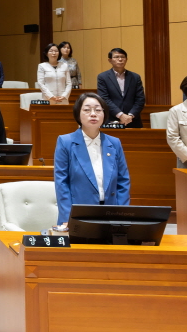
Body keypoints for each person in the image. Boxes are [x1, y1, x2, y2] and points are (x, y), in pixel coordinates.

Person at [53, 93, 130, 227]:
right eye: (87, 110)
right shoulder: (65, 142)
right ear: (78, 114)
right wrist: (67, 217)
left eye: (98, 110)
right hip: (78, 215)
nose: (93, 114)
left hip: (110, 214)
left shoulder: (114, 143)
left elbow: (123, 181)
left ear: (104, 115)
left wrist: (122, 214)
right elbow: (61, 183)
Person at [96, 48, 145, 128]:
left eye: (122, 57)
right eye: (116, 57)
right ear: (110, 60)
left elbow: (140, 99)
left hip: (133, 121)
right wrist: (121, 115)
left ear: (126, 59)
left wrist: (130, 116)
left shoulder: (135, 77)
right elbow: (104, 99)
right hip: (111, 120)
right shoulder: (103, 77)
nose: (120, 59)